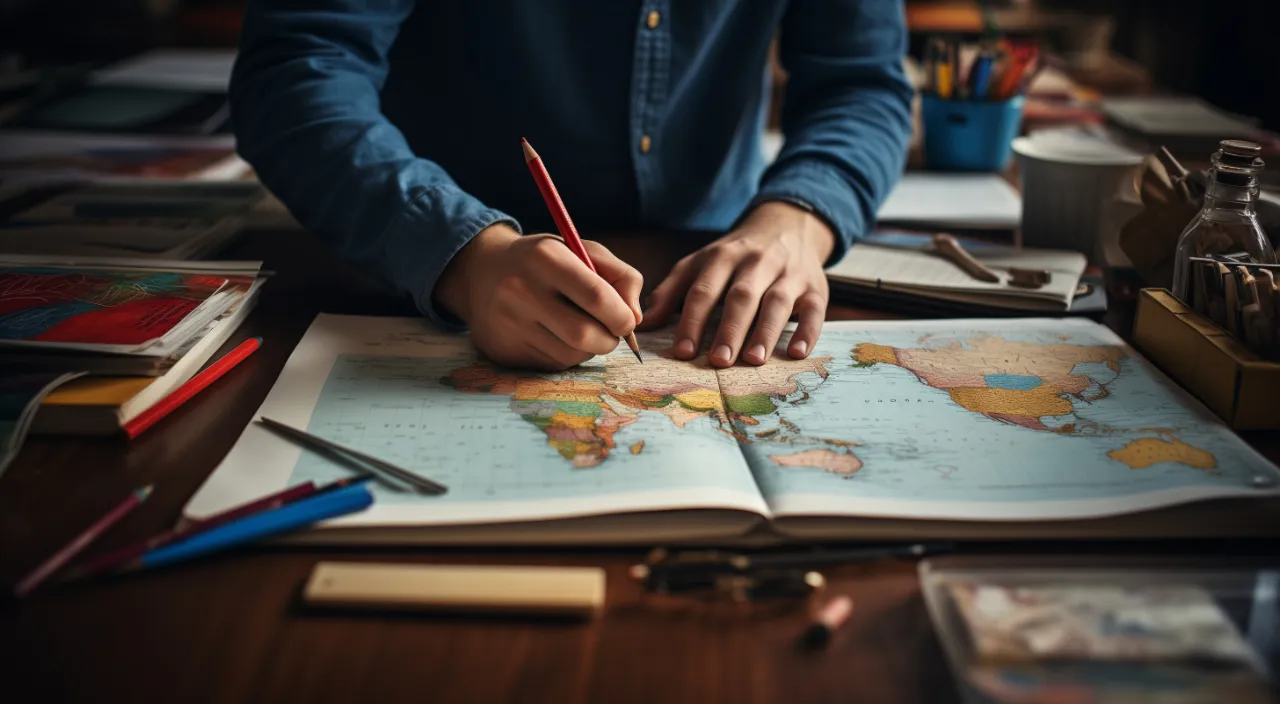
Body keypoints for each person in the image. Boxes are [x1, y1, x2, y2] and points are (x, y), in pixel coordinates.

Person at [231, 1, 912, 370]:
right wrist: (464, 259)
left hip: (721, 258)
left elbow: (860, 82)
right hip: (414, 272)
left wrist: (797, 220)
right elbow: (299, 71)